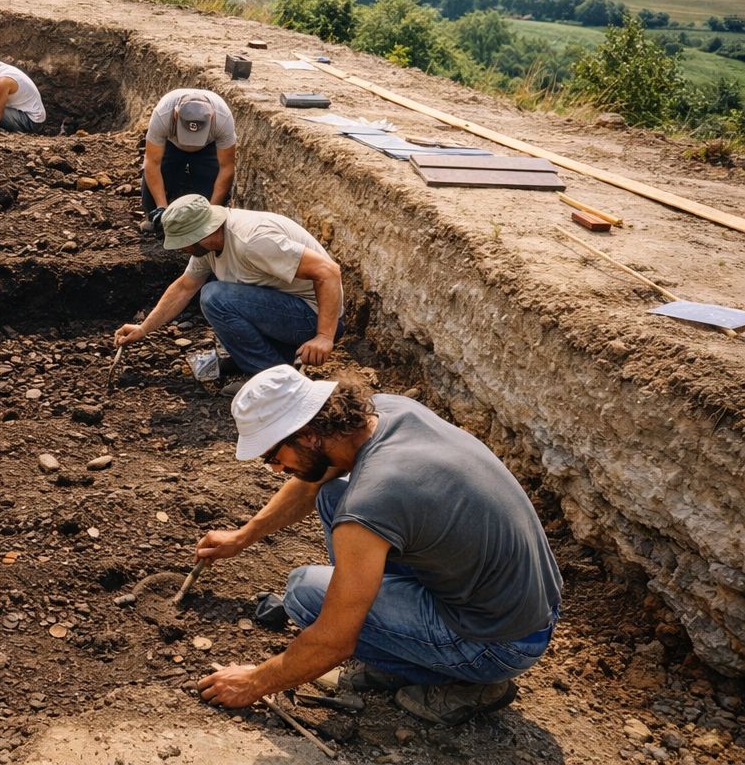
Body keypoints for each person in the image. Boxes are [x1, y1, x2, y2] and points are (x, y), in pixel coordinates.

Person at [194, 365, 562, 726]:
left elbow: (333, 642)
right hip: (525, 605)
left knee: (305, 594)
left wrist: (255, 681)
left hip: (498, 643)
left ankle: (467, 682)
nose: (275, 469)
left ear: (306, 435)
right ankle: (403, 643)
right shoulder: (386, 411)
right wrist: (244, 536)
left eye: (274, 456)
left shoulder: (372, 501)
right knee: (331, 496)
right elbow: (313, 480)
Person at [113, 194, 343, 377]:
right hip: (282, 310)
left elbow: (329, 272)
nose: (181, 250)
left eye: (183, 243)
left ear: (203, 232)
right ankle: (260, 360)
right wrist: (144, 328)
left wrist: (323, 336)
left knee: (215, 296)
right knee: (214, 289)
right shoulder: (210, 244)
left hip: (312, 317)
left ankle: (272, 378)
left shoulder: (252, 241)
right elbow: (185, 287)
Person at [141, 88, 237, 237]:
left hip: (207, 147)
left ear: (211, 118)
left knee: (210, 187)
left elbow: (226, 168)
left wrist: (211, 212)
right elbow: (152, 163)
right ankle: (155, 216)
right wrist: (161, 206)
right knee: (164, 174)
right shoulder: (162, 114)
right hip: (172, 143)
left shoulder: (223, 119)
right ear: (175, 114)